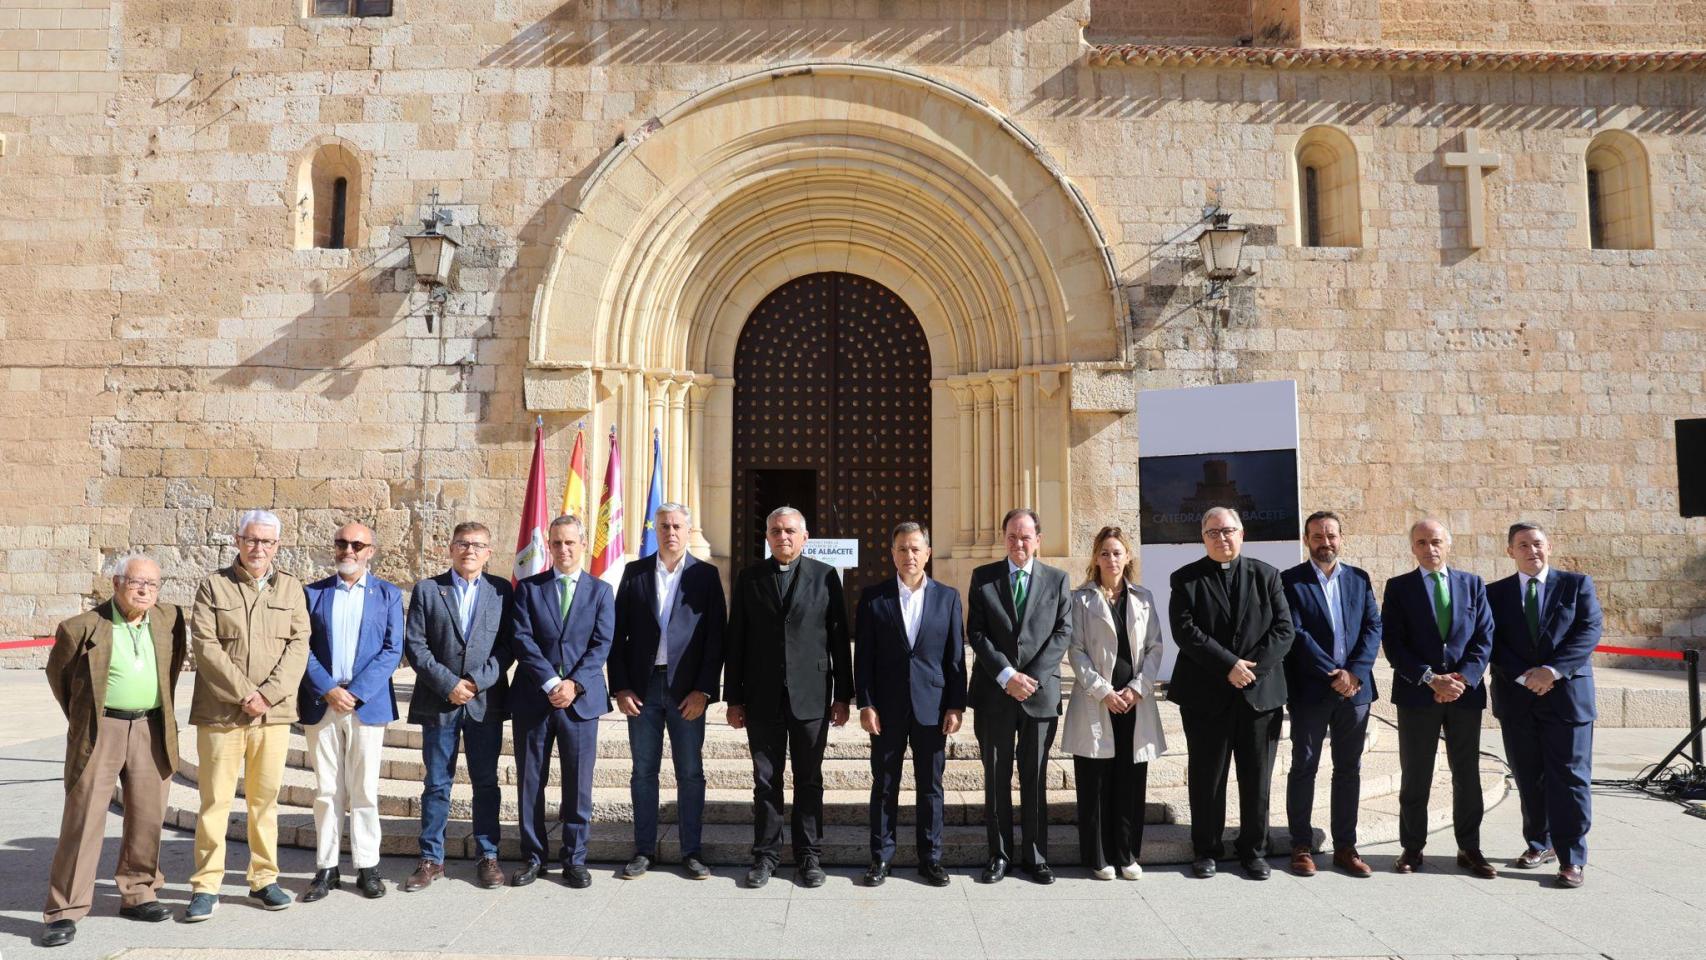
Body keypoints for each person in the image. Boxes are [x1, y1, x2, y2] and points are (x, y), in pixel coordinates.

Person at [39, 555, 187, 948]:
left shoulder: (169, 619)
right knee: (84, 817)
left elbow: (171, 668)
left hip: (151, 726)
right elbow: (61, 678)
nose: (144, 591)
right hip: (101, 727)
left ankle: (138, 892)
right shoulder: (82, 627)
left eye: (152, 585)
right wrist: (88, 716)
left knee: (148, 814)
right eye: (137, 583)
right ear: (117, 582)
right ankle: (64, 910)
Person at [185, 509, 311, 922]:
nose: (259, 549)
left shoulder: (291, 589)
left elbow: (298, 647)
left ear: (277, 546)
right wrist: (245, 695)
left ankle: (263, 879)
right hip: (222, 713)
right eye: (252, 540)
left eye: (267, 542)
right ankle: (206, 885)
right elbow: (205, 646)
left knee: (264, 801)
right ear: (238, 541)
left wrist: (267, 697)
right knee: (215, 801)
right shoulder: (214, 586)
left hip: (271, 717)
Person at [724, 506, 852, 888]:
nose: (783, 537)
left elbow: (838, 640)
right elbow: (737, 641)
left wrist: (844, 695)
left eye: (790, 531)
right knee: (766, 779)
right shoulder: (749, 578)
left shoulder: (825, 577)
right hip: (762, 696)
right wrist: (733, 698)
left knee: (809, 778)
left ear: (805, 536)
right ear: (767, 537)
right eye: (776, 531)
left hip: (811, 696)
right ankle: (766, 855)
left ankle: (809, 855)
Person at [1168, 506, 1294, 880]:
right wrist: (1228, 666)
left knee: (1257, 777)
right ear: (1202, 538)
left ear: (1242, 534)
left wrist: (1249, 669)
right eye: (1213, 532)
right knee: (1208, 777)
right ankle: (1206, 849)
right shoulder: (1185, 579)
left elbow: (1284, 629)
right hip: (1206, 696)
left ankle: (1254, 849)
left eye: (1228, 531)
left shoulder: (1267, 576)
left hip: (1259, 694)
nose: (1221, 538)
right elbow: (1186, 631)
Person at [610, 502, 726, 881]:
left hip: (686, 691)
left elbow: (715, 640)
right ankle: (643, 850)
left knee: (690, 772)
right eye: (663, 526)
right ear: (654, 530)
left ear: (688, 530)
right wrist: (622, 687)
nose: (670, 532)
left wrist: (704, 691)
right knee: (643, 771)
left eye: (676, 525)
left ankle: (691, 851)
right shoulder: (634, 573)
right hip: (643, 689)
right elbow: (617, 636)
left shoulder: (706, 576)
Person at [1489, 521, 1602, 889]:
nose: (1531, 551)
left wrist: (1552, 671)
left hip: (1568, 698)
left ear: (1549, 547)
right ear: (1510, 552)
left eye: (1537, 544)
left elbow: (1588, 630)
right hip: (1517, 698)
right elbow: (1492, 640)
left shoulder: (1576, 584)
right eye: (1522, 545)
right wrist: (1527, 675)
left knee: (1569, 778)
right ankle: (1540, 843)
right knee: (1528, 776)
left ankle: (1572, 858)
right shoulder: (1495, 593)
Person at [1382, 518, 1497, 878]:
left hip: (1464, 695)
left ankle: (1470, 847)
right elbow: (1394, 644)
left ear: (1448, 544)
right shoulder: (1399, 588)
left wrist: (1463, 678)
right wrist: (1431, 678)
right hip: (1418, 695)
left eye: (1435, 542)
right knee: (1416, 773)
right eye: (1421, 543)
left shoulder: (1473, 584)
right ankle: (1412, 848)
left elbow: (1484, 636)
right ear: (1412, 548)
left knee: (1467, 774)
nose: (1429, 549)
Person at [401, 521, 513, 892]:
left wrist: (477, 682)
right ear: (450, 548)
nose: (469, 550)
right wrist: (449, 684)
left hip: (485, 703)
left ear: (488, 552)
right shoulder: (429, 590)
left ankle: (488, 855)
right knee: (436, 784)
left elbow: (507, 647)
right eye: (463, 543)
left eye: (478, 545)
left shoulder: (501, 591)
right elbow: (415, 646)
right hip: (439, 702)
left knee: (485, 782)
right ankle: (431, 860)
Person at [853, 522, 966, 887]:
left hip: (932, 709)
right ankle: (881, 858)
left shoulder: (948, 598)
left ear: (928, 553)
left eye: (916, 549)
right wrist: (865, 704)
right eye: (902, 549)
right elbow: (864, 659)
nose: (909, 556)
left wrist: (956, 705)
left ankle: (930, 859)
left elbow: (955, 659)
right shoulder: (873, 597)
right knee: (885, 783)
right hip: (886, 709)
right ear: (892, 554)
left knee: (930, 787)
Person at [297, 522, 405, 903]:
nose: (349, 550)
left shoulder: (388, 595)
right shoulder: (313, 594)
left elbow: (392, 650)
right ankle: (326, 868)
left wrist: (355, 692)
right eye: (342, 542)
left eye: (357, 544)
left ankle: (367, 867)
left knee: (363, 790)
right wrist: (328, 688)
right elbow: (302, 647)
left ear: (370, 551)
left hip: (366, 704)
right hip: (322, 702)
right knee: (327, 790)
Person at [966, 507, 1073, 885]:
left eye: (1026, 537)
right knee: (996, 777)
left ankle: (1037, 856)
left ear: (1038, 540)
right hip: (995, 694)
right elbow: (976, 633)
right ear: (1004, 538)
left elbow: (1063, 633)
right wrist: (1007, 675)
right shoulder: (983, 579)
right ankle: (999, 855)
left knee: (1036, 776)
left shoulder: (1058, 580)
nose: (1019, 543)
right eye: (1012, 536)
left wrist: (1030, 677)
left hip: (1040, 694)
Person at [508, 513, 614, 889]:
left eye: (570, 542)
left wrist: (573, 685)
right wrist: (553, 682)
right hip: (534, 699)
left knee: (578, 785)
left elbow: (601, 645)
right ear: (548, 546)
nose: (564, 549)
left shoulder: (601, 591)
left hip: (581, 703)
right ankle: (534, 857)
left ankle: (574, 859)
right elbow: (522, 638)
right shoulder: (529, 588)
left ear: (583, 544)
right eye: (557, 543)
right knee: (530, 783)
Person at [1060, 526, 1166, 881]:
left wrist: (1137, 689)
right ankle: (1098, 856)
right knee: (1095, 783)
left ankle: (1127, 854)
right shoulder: (1080, 600)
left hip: (1134, 702)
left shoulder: (1145, 598)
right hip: (1097, 701)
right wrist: (1103, 690)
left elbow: (1155, 648)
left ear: (1128, 557)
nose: (1111, 559)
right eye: (1104, 553)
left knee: (1130, 782)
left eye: (1117, 552)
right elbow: (1075, 650)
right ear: (1095, 558)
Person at [1281, 511, 1382, 878]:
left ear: (1341, 538)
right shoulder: (1290, 580)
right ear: (1307, 539)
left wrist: (1355, 672)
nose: (1326, 543)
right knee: (1304, 766)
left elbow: (1373, 625)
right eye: (1318, 536)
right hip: (1311, 691)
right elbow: (1296, 633)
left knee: (1348, 769)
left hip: (1356, 692)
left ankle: (1345, 847)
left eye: (1331, 536)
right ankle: (1301, 845)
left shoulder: (1359, 578)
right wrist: (1332, 673)